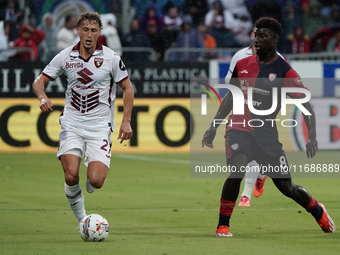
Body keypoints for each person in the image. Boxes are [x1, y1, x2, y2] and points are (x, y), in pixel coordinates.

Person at [202, 17, 335, 237]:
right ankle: (222, 225)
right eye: (255, 34)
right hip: (239, 127)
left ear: (274, 38)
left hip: (266, 135)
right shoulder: (242, 64)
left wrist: (312, 136)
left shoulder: (284, 70)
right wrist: (214, 125)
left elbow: (306, 103)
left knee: (287, 188)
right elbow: (230, 97)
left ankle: (317, 209)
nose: (257, 39)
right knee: (237, 170)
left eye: (262, 35)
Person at [32, 12, 134, 228]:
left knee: (96, 181)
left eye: (94, 30)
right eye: (85, 30)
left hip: (99, 126)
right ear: (77, 30)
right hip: (72, 123)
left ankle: (93, 178)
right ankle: (83, 221)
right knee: (71, 176)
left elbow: (127, 87)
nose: (89, 35)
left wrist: (126, 121)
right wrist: (42, 97)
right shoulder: (65, 57)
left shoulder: (111, 58)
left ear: (99, 32)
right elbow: (38, 82)